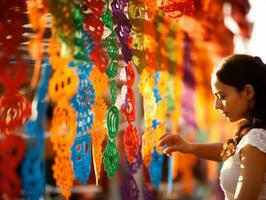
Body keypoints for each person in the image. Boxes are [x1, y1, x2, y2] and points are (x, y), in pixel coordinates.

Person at [159, 54, 266, 200]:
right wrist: (189, 147)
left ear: (248, 91)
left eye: (222, 96)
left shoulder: (256, 139)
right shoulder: (254, 136)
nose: (216, 105)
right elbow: (232, 151)